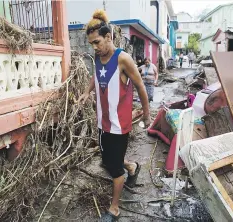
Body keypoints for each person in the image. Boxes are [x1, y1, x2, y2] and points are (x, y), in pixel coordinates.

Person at [78, 9, 151, 221]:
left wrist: (146, 115)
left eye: (97, 42)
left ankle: (114, 209)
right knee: (108, 161)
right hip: (103, 123)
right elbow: (96, 75)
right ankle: (132, 166)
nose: (94, 47)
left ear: (108, 37)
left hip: (119, 126)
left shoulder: (123, 59)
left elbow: (141, 87)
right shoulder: (98, 56)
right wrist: (86, 92)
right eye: (91, 43)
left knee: (114, 169)